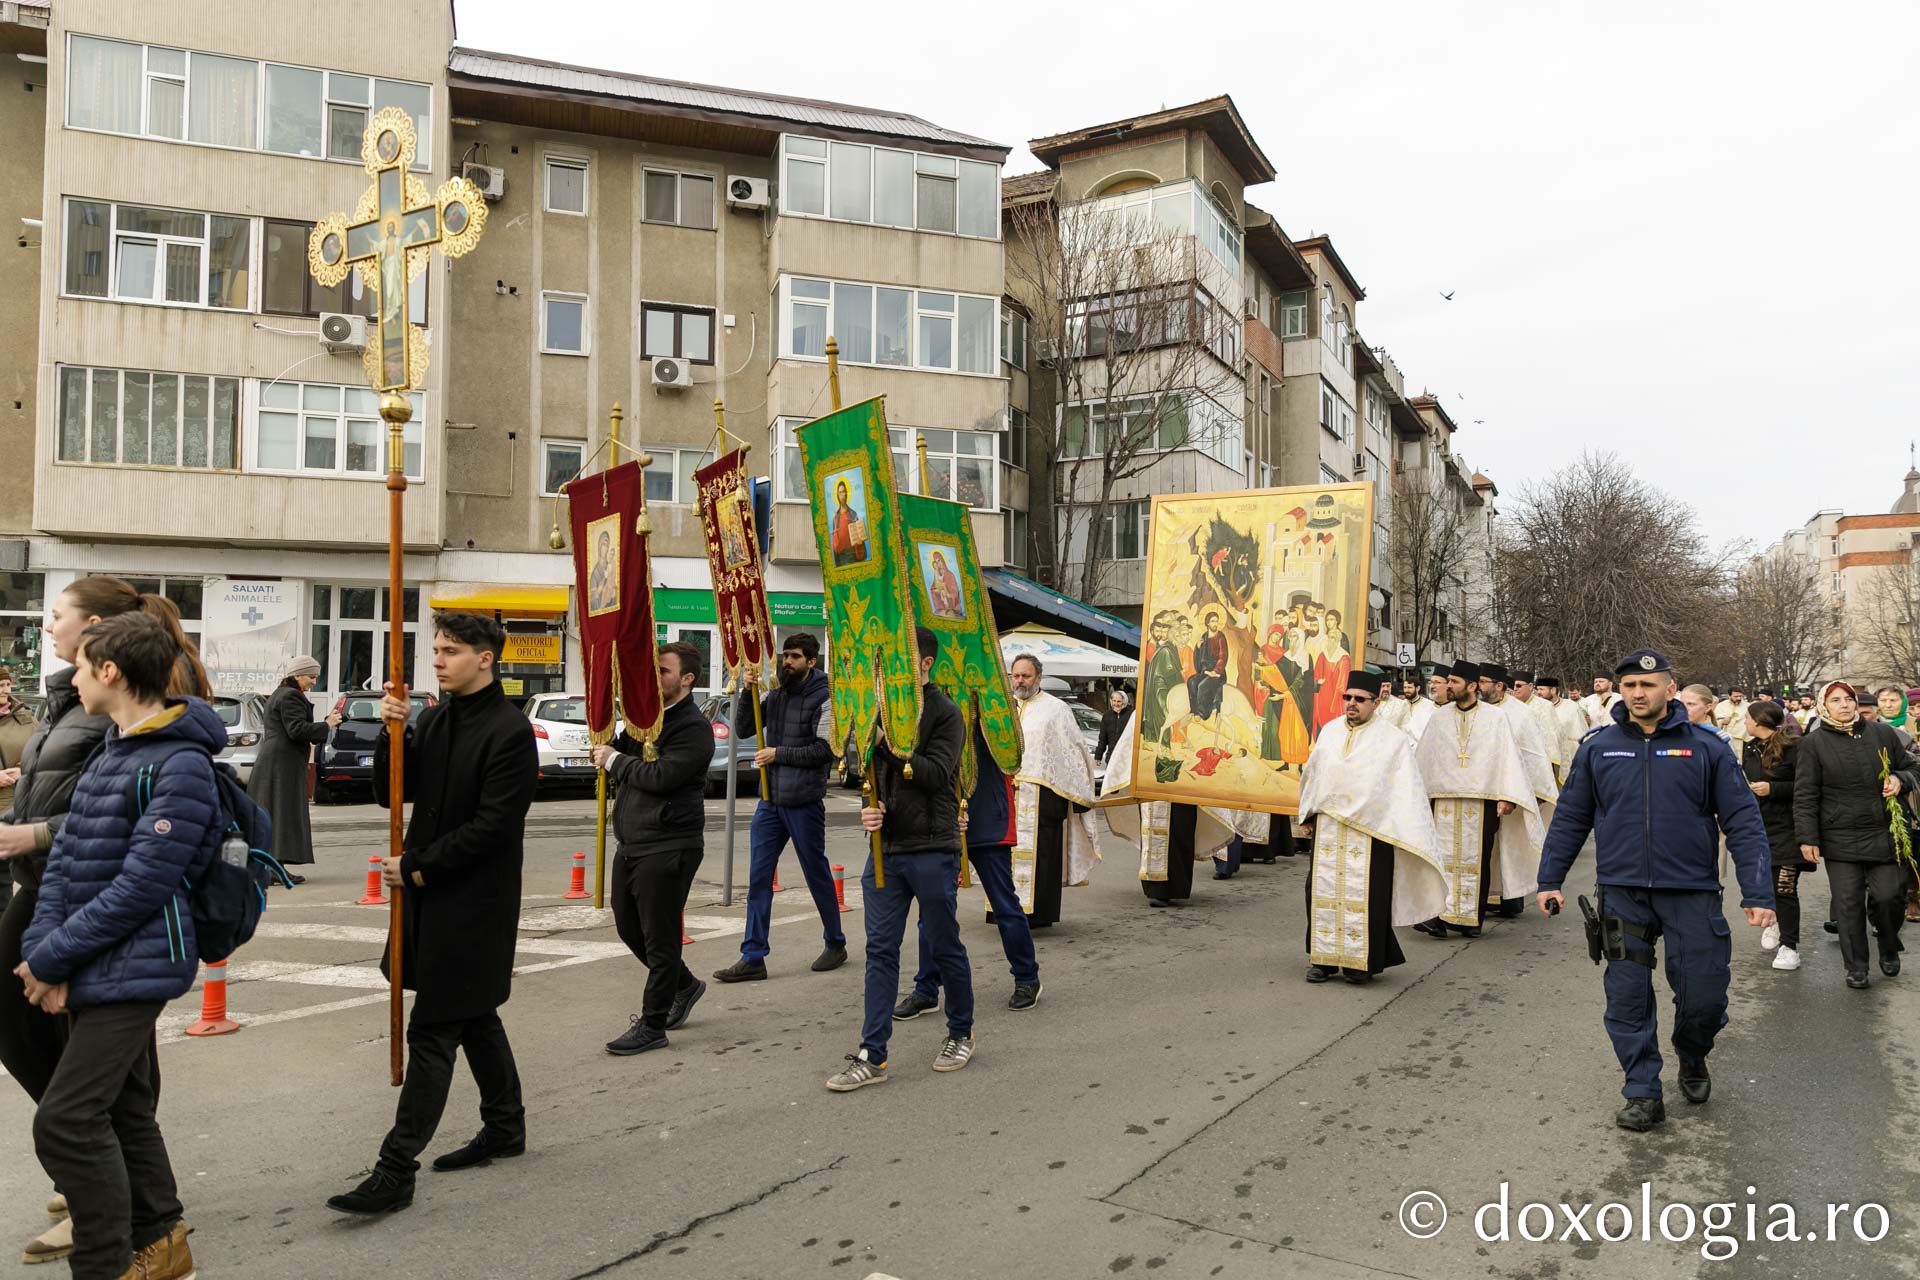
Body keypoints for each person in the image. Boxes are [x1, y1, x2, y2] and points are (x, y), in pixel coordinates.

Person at [0, 577, 206, 1268]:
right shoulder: (114, 748)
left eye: (82, 664)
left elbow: (140, 886)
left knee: (70, 1119)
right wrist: (42, 956)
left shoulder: (178, 763)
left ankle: (111, 1257)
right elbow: (60, 874)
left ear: (109, 671)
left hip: (136, 958)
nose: (70, 675)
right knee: (112, 1109)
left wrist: (51, 959)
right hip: (84, 950)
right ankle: (159, 1244)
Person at [327, 612, 538, 1215]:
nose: (438, 660)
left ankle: (396, 1169)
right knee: (472, 1015)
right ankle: (506, 1125)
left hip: (474, 903)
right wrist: (395, 739)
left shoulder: (509, 731)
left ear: (485, 658)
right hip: (431, 898)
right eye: (437, 649)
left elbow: (495, 828)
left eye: (449, 650)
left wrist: (417, 866)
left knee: (435, 1027)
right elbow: (395, 790)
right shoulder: (438, 717)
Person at [1536, 649, 1774, 1132]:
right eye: (1629, 686)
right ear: (1620, 691)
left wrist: (1758, 892)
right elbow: (1571, 817)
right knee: (1627, 997)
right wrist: (1549, 879)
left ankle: (1692, 1052)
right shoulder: (1599, 747)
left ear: (1670, 689)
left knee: (1704, 997)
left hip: (1691, 890)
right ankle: (1642, 1091)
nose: (1638, 693)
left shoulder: (1707, 747)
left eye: (1648, 685)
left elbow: (1744, 821)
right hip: (1623, 891)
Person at [827, 626, 970, 1092]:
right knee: (880, 951)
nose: (891, 672)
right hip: (885, 851)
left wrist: (889, 745)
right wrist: (870, 808)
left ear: (926, 664)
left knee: (944, 944)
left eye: (904, 662)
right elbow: (865, 777)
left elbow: (934, 774)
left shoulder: (945, 713)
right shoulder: (878, 712)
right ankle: (873, 1054)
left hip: (932, 849)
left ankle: (960, 1031)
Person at [595, 642, 716, 1053]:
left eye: (662, 672)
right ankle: (684, 985)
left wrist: (613, 759)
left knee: (660, 936)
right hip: (633, 841)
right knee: (629, 928)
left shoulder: (693, 728)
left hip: (670, 844)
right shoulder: (645, 720)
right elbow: (622, 753)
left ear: (687, 679)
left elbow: (662, 775)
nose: (655, 679)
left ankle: (652, 1025)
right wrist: (609, 730)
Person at [1297, 670, 1447, 984]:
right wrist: (1308, 815)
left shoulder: (1391, 740)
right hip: (1329, 829)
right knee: (1319, 890)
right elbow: (1314, 774)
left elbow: (1403, 789)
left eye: (1359, 699)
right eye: (1347, 698)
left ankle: (1359, 963)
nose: (1351, 704)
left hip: (1372, 832)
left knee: (1367, 896)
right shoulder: (1331, 731)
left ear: (1375, 702)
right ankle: (1323, 959)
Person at [713, 634, 845, 984]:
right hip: (770, 802)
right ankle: (753, 955)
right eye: (785, 655)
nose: (787, 661)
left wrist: (778, 754)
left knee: (816, 873)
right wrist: (748, 691)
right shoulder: (778, 691)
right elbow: (743, 727)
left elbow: (825, 751)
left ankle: (836, 942)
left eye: (795, 657)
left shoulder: (827, 696)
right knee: (758, 878)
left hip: (804, 801)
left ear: (811, 662)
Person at [899, 719, 1041, 1018]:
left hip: (988, 816)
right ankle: (926, 988)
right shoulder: (932, 707)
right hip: (942, 822)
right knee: (933, 910)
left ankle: (1027, 978)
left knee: (1004, 905)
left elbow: (1011, 753)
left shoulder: (991, 704)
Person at [1794, 680, 1919, 989]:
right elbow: (1806, 794)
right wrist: (1807, 838)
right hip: (1839, 835)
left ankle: (1889, 946)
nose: (1845, 704)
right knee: (1848, 905)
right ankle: (1857, 966)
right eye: (1836, 700)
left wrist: (1900, 779)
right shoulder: (1813, 743)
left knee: (1889, 897)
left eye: (1848, 699)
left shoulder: (1882, 733)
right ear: (1825, 706)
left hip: (1884, 831)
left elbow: (1914, 769)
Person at [1412, 661, 1541, 938]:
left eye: (1454, 682)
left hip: (1481, 801)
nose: (1448, 687)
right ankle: (1439, 915)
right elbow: (1426, 758)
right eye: (1448, 682)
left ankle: (1471, 920)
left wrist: (1508, 797)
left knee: (1477, 861)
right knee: (1442, 860)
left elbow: (1506, 759)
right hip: (1443, 802)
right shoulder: (1439, 718)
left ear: (1471, 687)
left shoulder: (1495, 719)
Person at [1006, 654, 1098, 927]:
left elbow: (1073, 751)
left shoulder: (1056, 709)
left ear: (1038, 678)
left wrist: (1075, 792)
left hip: (1043, 800)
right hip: (1008, 797)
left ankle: (1038, 914)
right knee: (1003, 857)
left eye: (1026, 675)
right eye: (1016, 675)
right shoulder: (1002, 706)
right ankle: (1005, 911)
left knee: (1042, 858)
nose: (1020, 681)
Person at [246, 656, 341, 884]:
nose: (313, 682)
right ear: (297, 675)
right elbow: (296, 730)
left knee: (276, 814)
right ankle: (272, 869)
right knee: (281, 814)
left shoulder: (280, 694)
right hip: (282, 765)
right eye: (311, 676)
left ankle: (273, 867)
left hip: (276, 762)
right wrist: (326, 724)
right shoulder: (291, 696)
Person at [1476, 663, 1557, 918]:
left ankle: (1510, 899)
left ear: (1499, 686)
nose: (1477, 686)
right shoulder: (1476, 712)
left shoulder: (1521, 714)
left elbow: (1533, 754)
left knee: (1510, 846)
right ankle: (1484, 897)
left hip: (1512, 791)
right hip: (1481, 790)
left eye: (1482, 681)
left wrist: (1528, 794)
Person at [1743, 701, 1809, 971]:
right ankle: (1775, 922)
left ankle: (1790, 946)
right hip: (1760, 827)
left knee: (1785, 888)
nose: (1744, 723)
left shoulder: (1794, 746)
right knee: (1765, 884)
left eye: (1747, 718)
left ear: (1759, 721)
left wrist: (1773, 789)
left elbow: (1805, 785)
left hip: (1789, 828)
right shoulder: (1749, 747)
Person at [1535, 678, 1588, 786]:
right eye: (1537, 689)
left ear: (1553, 690)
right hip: (1543, 760)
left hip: (1568, 757)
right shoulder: (1535, 708)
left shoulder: (1571, 707)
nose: (1538, 693)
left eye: (1541, 689)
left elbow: (1581, 731)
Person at [0, 670, 34, 833]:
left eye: (8, 685)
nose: (6, 691)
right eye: (1, 686)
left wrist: (23, 768)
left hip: (21, 805)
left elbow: (44, 752)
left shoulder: (26, 717)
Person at [829, 479, 869, 567]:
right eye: (840, 492)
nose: (842, 495)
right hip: (842, 558)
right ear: (837, 495)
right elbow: (835, 544)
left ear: (847, 494)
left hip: (853, 556)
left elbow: (860, 537)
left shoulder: (853, 514)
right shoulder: (836, 518)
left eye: (844, 492)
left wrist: (860, 540)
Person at [1094, 689, 1133, 764]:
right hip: (1111, 756)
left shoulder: (1132, 715)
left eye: (1119, 701)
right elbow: (1102, 738)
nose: (1116, 704)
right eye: (1114, 701)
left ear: (1124, 701)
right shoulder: (1107, 715)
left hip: (1127, 757)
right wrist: (1098, 756)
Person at [1712, 687, 1751, 752]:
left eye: (1740, 696)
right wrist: (1722, 721)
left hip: (1744, 740)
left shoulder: (1748, 706)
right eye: (1736, 696)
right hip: (1726, 739)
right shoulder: (1721, 706)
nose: (1739, 698)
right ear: (1729, 696)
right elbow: (1714, 722)